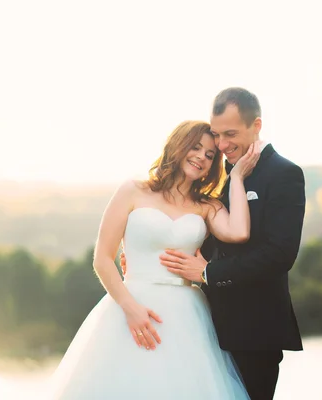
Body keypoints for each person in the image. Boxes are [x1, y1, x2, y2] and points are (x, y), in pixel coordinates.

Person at [47, 120, 262, 399]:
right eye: (195, 147)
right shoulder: (133, 191)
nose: (201, 157)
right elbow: (102, 258)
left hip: (186, 317)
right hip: (130, 308)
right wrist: (131, 309)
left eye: (210, 155)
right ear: (177, 146)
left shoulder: (207, 206)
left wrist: (236, 178)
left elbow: (239, 231)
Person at [122, 87, 306, 400]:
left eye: (230, 134)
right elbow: (195, 231)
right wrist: (147, 256)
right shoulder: (218, 175)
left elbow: (280, 254)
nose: (221, 145)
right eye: (217, 135)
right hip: (203, 326)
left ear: (256, 126)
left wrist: (209, 273)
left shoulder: (284, 174)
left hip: (254, 330)